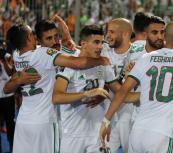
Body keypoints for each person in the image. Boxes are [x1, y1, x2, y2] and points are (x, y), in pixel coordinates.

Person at [100, 20, 173, 153]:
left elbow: (122, 91)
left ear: (164, 37)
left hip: (137, 132)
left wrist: (106, 120)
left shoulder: (146, 58)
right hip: (162, 134)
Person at [4, 23, 109, 153]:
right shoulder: (43, 53)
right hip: (45, 121)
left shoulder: (17, 55)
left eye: (56, 37)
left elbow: (6, 89)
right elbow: (77, 62)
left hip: (23, 121)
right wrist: (102, 60)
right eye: (32, 34)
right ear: (30, 38)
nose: (54, 41)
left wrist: (18, 79)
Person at [52, 24, 138, 153]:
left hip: (97, 134)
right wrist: (87, 94)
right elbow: (56, 97)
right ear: (84, 43)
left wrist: (132, 81)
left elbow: (121, 94)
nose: (100, 47)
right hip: (72, 134)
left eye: (102, 42)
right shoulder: (69, 64)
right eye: (96, 42)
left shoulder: (103, 63)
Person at [102, 18, 144, 153]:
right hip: (107, 113)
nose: (108, 35)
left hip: (131, 113)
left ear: (126, 34)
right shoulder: (103, 51)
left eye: (112, 32)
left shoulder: (141, 54)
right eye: (107, 31)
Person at [0, 43, 15, 152]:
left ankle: (12, 148)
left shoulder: (7, 56)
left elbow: (11, 72)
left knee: (10, 124)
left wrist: (3, 60)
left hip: (8, 97)